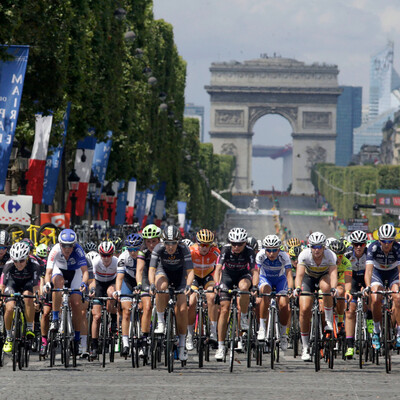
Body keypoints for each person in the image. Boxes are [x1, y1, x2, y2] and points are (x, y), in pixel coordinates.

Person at [149, 225, 194, 361]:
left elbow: (190, 271)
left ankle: (181, 346)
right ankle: (161, 321)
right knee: (161, 286)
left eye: (173, 243)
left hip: (180, 276)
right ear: (163, 242)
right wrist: (152, 284)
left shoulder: (183, 249)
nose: (170, 246)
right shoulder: (159, 248)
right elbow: (151, 269)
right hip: (164, 272)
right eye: (167, 243)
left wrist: (188, 286)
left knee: (181, 309)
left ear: (178, 242)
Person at [214, 227, 258, 360]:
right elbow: (217, 270)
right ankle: (221, 347)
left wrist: (255, 287)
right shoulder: (226, 249)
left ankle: (243, 317)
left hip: (242, 275)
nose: (236, 247)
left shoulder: (249, 251)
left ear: (245, 243)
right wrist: (216, 285)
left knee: (244, 287)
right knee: (224, 309)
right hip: (227, 276)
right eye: (233, 243)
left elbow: (254, 271)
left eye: (239, 244)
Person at [43, 229, 89, 353]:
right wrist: (47, 283)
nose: (67, 249)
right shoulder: (55, 250)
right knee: (58, 283)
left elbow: (85, 272)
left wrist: (84, 283)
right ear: (60, 244)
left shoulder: (79, 251)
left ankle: (77, 338)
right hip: (60, 271)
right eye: (64, 245)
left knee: (76, 303)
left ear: (74, 245)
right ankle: (55, 319)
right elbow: (48, 273)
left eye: (70, 246)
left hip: (75, 273)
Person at [294, 231, 337, 361]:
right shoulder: (304, 255)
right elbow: (299, 275)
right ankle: (305, 347)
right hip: (308, 278)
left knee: (326, 287)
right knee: (305, 308)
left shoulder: (330, 256)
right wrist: (297, 288)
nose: (316, 250)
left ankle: (328, 321)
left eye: (319, 247)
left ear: (324, 247)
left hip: (324, 277)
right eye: (313, 246)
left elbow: (333, 274)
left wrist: (334, 288)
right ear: (310, 247)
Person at [364, 224, 400, 350]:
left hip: (393, 273)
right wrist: (368, 286)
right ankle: (376, 330)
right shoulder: (373, 247)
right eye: (384, 241)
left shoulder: (397, 248)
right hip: (377, 273)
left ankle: (399, 332)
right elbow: (368, 271)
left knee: (398, 297)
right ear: (379, 240)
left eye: (389, 241)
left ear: (393, 241)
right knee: (375, 298)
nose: (386, 244)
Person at [0, 241, 40, 352]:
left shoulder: (34, 264)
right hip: (12, 284)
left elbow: (36, 286)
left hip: (28, 284)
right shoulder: (9, 264)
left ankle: (29, 327)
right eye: (16, 261)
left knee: (28, 296)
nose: (19, 264)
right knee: (9, 307)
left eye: (22, 260)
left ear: (27, 258)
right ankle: (8, 337)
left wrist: (37, 300)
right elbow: (2, 284)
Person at [256, 234, 293, 351]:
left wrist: (290, 289)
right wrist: (254, 287)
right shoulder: (260, 255)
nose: (271, 254)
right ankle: (262, 328)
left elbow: (288, 275)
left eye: (274, 250)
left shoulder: (284, 256)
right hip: (265, 278)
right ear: (264, 249)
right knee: (265, 293)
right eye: (268, 250)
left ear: (279, 249)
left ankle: (283, 335)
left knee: (283, 304)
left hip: (280, 279)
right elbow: (256, 273)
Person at [186, 229, 220, 351]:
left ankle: (212, 331)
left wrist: (217, 285)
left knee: (211, 297)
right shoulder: (191, 251)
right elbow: (186, 270)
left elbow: (218, 269)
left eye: (208, 245)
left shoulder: (215, 252)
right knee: (191, 302)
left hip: (208, 277)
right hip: (194, 277)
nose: (205, 248)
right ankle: (189, 335)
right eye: (202, 245)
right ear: (197, 243)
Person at [113, 233, 143, 357]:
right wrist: (118, 291)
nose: (133, 252)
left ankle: (142, 341)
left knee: (142, 309)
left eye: (135, 249)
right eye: (130, 249)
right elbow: (119, 277)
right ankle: (125, 343)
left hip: (142, 281)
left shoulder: (144, 256)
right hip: (128, 282)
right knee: (126, 311)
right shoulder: (123, 257)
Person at [344, 230, 371, 358]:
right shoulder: (348, 255)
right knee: (350, 310)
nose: (359, 247)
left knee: (371, 302)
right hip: (352, 278)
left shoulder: (369, 254)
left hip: (366, 277)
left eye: (361, 244)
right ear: (352, 245)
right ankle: (350, 345)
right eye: (356, 244)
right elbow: (346, 275)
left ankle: (371, 332)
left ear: (365, 244)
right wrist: (347, 291)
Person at [89, 241, 118, 360]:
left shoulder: (116, 262)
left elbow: (121, 277)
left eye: (109, 255)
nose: (106, 258)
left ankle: (114, 318)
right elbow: (91, 279)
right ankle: (94, 346)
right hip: (99, 283)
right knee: (96, 316)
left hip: (111, 282)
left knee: (111, 293)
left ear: (113, 254)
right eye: (103, 255)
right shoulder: (95, 261)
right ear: (100, 254)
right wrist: (92, 290)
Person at [136, 224, 161, 357]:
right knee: (147, 306)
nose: (151, 244)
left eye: (154, 241)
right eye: (148, 241)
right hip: (146, 276)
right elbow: (140, 270)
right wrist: (140, 284)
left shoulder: (165, 248)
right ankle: (144, 340)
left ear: (159, 240)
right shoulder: (142, 250)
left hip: (161, 276)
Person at [328, 240, 352, 336]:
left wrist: (348, 291)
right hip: (327, 281)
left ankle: (340, 322)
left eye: (340, 256)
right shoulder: (326, 261)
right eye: (334, 255)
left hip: (340, 281)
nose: (337, 258)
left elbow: (348, 281)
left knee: (341, 292)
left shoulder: (346, 263)